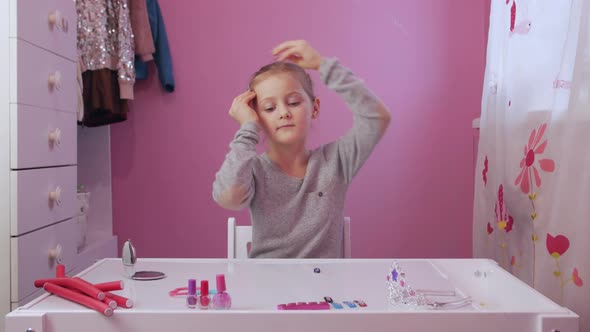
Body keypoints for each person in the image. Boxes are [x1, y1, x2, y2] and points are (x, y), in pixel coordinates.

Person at [212, 40, 391, 258]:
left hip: (323, 289)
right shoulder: (253, 169)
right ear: (257, 117)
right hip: (266, 287)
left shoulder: (336, 162)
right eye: (269, 108)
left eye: (294, 103)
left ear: (314, 109)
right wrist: (248, 129)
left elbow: (376, 119)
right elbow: (228, 197)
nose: (283, 113)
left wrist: (322, 65)